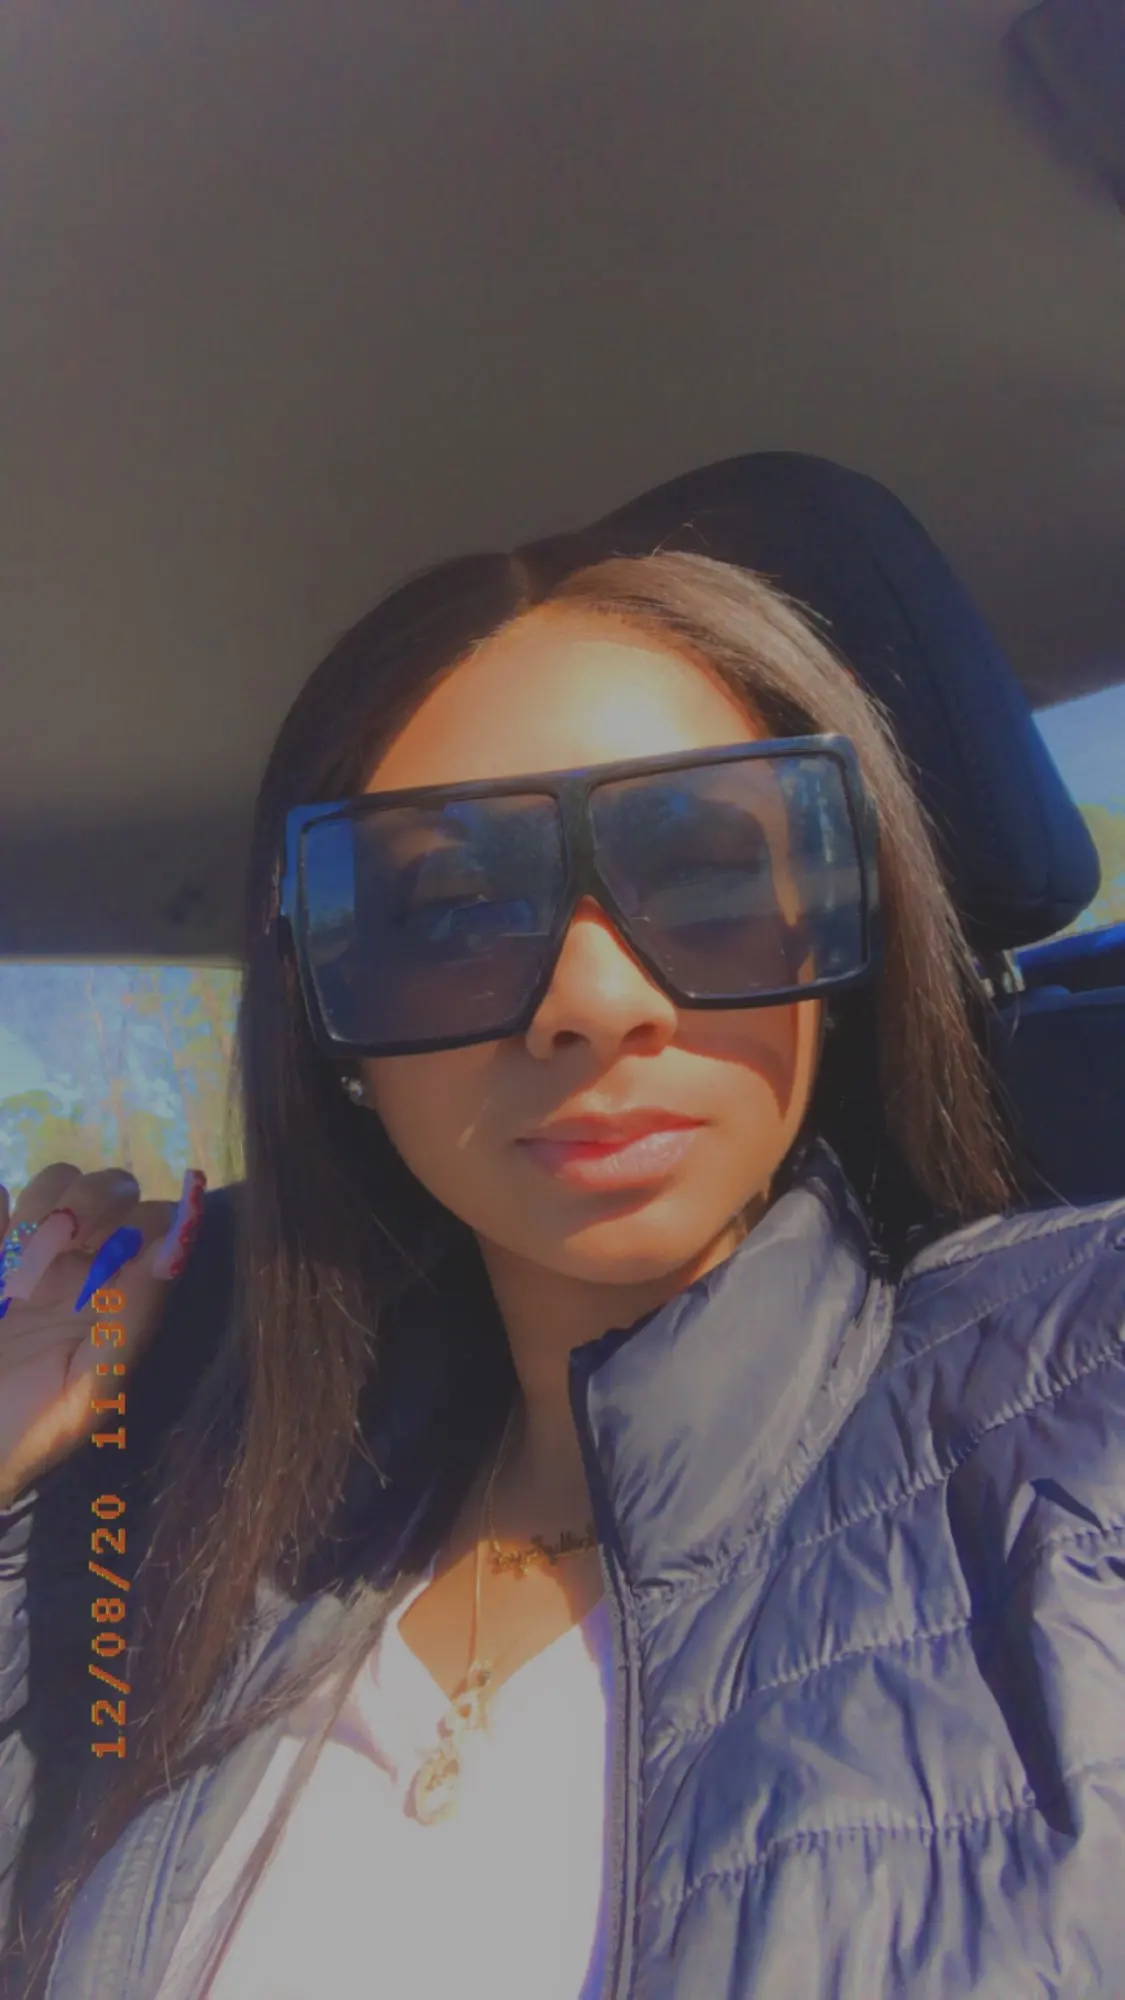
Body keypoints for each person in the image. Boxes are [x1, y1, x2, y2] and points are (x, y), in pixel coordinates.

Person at [1, 547, 1123, 2000]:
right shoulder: (208, 1539)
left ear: (840, 928)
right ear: (331, 1021)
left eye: (706, 872)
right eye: (457, 910)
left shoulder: (1082, 1399)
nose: (596, 1002)